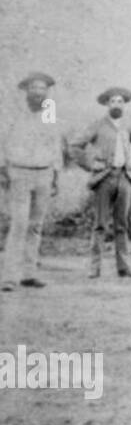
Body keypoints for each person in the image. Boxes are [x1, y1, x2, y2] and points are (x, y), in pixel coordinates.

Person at [70, 87, 131, 279]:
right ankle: (94, 268)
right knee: (100, 224)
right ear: (106, 104)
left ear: (125, 104)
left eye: (120, 101)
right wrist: (90, 164)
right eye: (112, 101)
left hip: (124, 177)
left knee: (122, 224)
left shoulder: (129, 125)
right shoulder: (97, 125)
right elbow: (75, 146)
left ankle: (124, 267)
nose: (116, 105)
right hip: (104, 178)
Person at [1, 72, 64, 291]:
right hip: (19, 172)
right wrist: (3, 169)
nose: (38, 92)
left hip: (44, 173)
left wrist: (56, 173)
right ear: (26, 90)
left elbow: (55, 143)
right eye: (34, 88)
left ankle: (29, 274)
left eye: (42, 88)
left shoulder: (49, 113)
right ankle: (9, 277)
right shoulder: (14, 113)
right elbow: (2, 140)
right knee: (19, 224)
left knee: (36, 226)